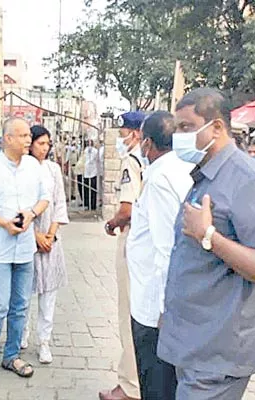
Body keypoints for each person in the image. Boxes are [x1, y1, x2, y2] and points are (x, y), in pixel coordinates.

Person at [158, 88, 255, 400]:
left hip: (218, 353)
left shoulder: (249, 181)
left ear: (216, 127)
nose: (179, 136)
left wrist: (209, 236)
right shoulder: (207, 176)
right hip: (192, 341)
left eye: (186, 127)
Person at [0, 118, 50, 385]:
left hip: (25, 247)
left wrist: (30, 214)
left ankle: (12, 355)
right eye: (24, 135)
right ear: (8, 139)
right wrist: (4, 223)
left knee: (21, 305)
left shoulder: (33, 168)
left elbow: (44, 198)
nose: (29, 140)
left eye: (29, 135)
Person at [127, 111, 193, 400]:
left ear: (147, 143)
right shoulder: (178, 170)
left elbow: (168, 248)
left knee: (156, 385)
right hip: (158, 301)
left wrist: (167, 308)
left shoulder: (162, 178)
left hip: (154, 307)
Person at [100, 111, 145, 400]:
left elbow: (126, 209)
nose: (120, 137)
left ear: (136, 133)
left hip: (133, 240)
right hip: (149, 245)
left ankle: (129, 387)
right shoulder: (157, 160)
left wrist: (111, 223)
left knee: (128, 314)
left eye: (123, 132)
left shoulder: (134, 160)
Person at [21, 125, 69, 364]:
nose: (45, 148)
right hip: (26, 239)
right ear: (30, 144)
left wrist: (50, 234)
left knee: (49, 294)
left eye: (48, 143)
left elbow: (60, 203)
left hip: (51, 240)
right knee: (24, 291)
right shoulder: (21, 169)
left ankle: (44, 341)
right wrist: (34, 235)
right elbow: (17, 204)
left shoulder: (53, 169)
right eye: (41, 143)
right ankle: (22, 333)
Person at [82, 140, 99, 210]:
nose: (89, 144)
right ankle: (86, 204)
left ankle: (93, 205)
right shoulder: (85, 151)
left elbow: (97, 160)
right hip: (86, 171)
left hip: (93, 171)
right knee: (86, 188)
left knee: (93, 189)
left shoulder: (95, 151)